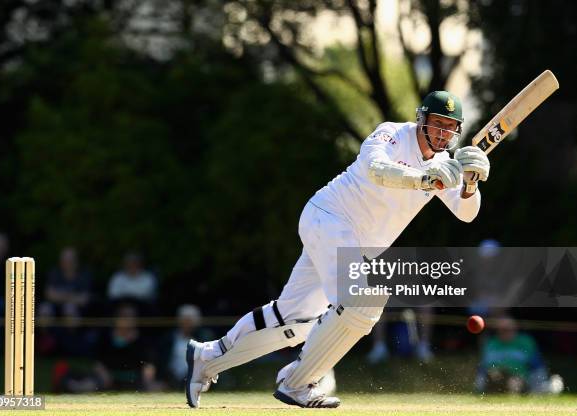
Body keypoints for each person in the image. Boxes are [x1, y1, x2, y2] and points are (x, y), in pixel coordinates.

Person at [186, 91, 491, 408]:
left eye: (450, 127)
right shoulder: (392, 134)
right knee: (363, 300)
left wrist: (470, 184)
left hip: (348, 241)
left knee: (292, 319)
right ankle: (300, 382)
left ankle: (207, 358)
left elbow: (467, 213)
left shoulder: (445, 165)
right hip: (329, 217)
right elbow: (376, 169)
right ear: (421, 119)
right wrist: (423, 178)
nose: (443, 133)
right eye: (437, 124)